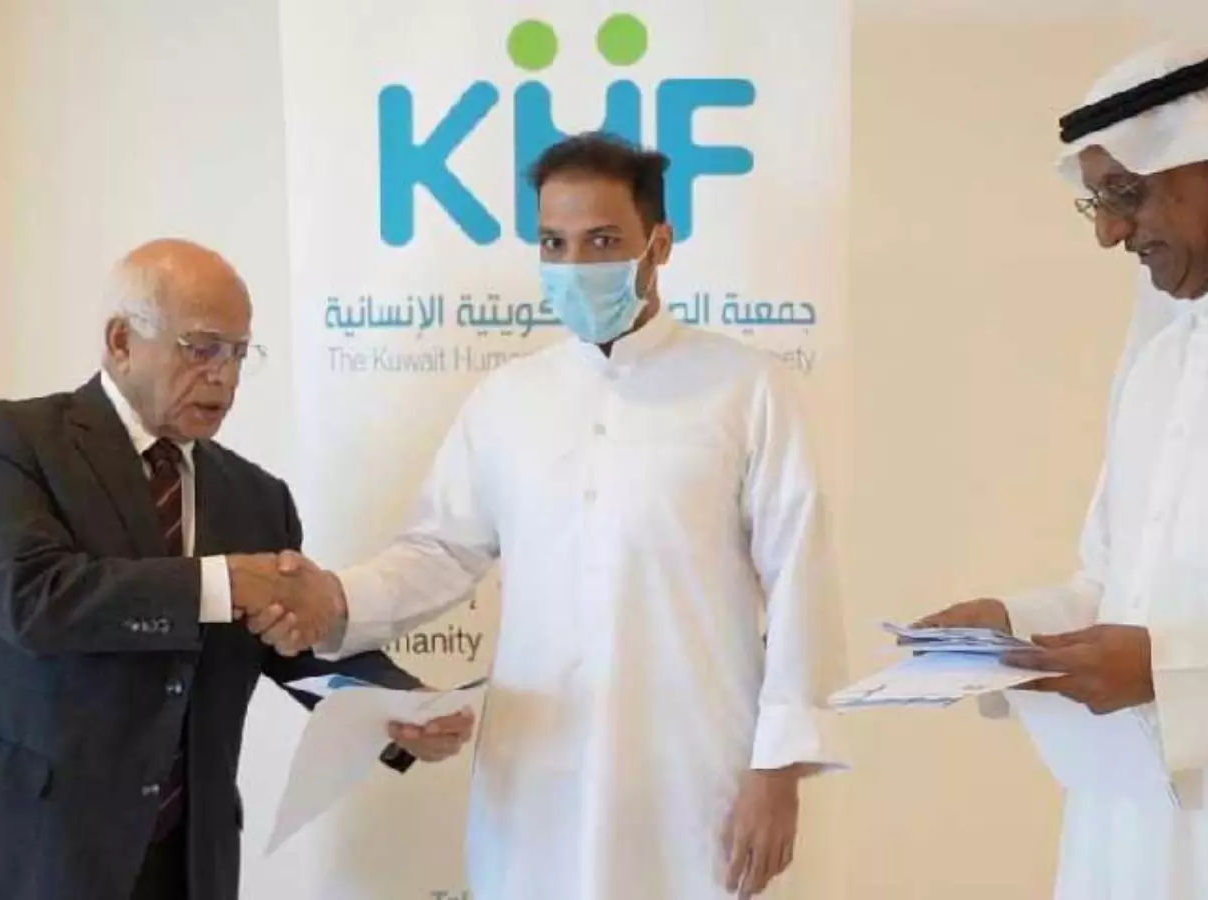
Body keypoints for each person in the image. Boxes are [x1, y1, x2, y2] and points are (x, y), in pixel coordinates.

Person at [252, 133, 848, 899]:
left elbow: (801, 578)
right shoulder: (508, 400)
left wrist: (779, 769)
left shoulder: (747, 389)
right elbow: (439, 551)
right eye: (553, 243)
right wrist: (335, 598)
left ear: (659, 244)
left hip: (695, 773)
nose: (574, 265)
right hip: (535, 777)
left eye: (602, 241)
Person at [0, 239, 475, 900]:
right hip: (8, 853)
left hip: (179, 865)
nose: (225, 377)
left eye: (239, 353)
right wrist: (222, 583)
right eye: (202, 348)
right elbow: (31, 598)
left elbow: (289, 644)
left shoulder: (257, 499)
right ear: (122, 341)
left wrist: (397, 708)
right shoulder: (7, 442)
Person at [917, 44, 1208, 900]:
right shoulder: (1158, 358)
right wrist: (1014, 628)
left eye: (1126, 194)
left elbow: (1160, 649)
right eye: (1098, 202)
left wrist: (1167, 676)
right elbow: (1112, 584)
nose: (1109, 233)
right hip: (1125, 841)